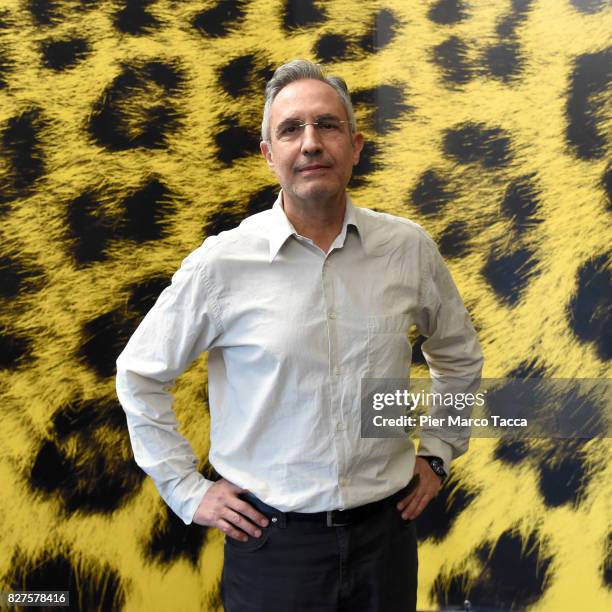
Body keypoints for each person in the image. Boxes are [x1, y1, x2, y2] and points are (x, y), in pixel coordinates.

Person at [116, 59, 483, 612]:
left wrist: (437, 455)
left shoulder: (407, 250)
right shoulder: (222, 265)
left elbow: (458, 357)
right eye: (291, 129)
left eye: (327, 125)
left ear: (355, 146)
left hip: (385, 539)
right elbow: (140, 374)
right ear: (269, 155)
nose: (311, 143)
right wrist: (187, 492)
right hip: (272, 549)